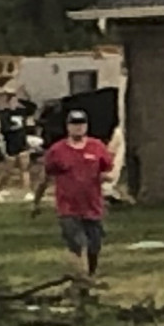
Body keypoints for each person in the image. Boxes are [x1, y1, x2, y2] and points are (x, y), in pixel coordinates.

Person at [32, 108, 115, 278]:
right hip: (68, 207)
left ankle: (90, 274)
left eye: (81, 124)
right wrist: (36, 202)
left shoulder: (97, 147)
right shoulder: (57, 151)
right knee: (77, 243)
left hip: (92, 205)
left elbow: (107, 171)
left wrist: (106, 179)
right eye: (74, 124)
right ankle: (80, 277)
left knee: (94, 245)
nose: (78, 128)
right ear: (67, 127)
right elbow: (45, 178)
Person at [0, 98, 37, 192]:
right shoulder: (4, 114)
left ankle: (27, 191)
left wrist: (21, 100)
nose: (15, 104)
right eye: (13, 102)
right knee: (8, 170)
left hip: (22, 143)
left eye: (16, 102)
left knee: (25, 168)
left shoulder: (22, 112)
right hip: (11, 144)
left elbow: (33, 107)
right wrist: (14, 127)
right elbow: (4, 129)